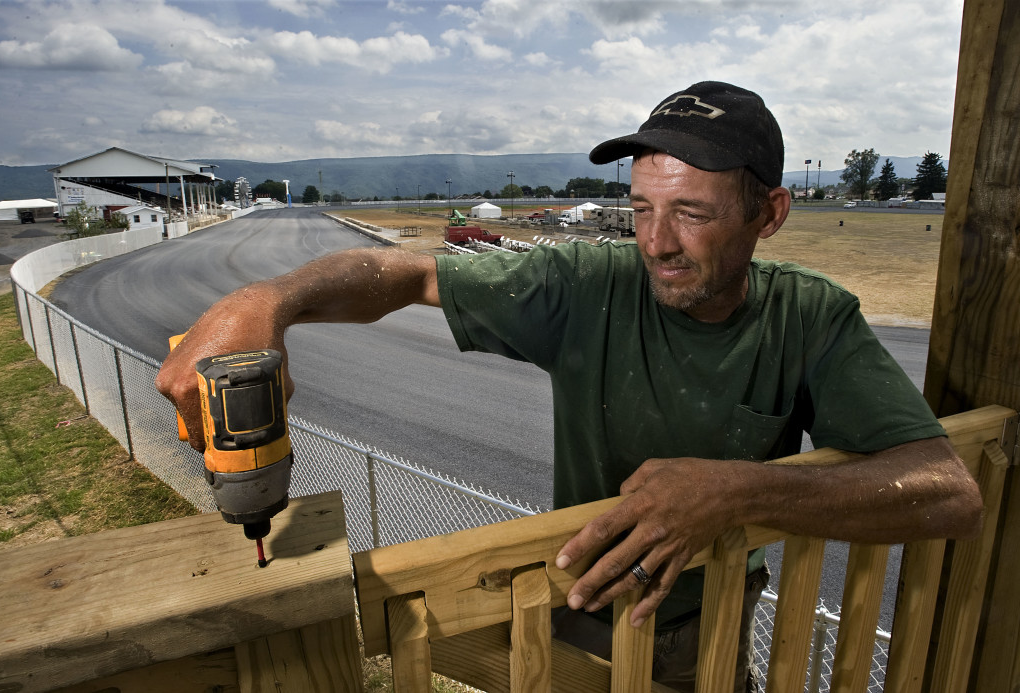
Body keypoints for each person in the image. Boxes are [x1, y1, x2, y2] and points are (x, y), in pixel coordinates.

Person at [157, 81, 982, 692]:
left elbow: (948, 491)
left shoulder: (810, 317)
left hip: (710, 631)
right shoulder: (588, 286)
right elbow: (408, 275)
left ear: (770, 212)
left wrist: (734, 492)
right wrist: (267, 299)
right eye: (641, 208)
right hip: (577, 617)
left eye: (692, 213)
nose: (655, 242)